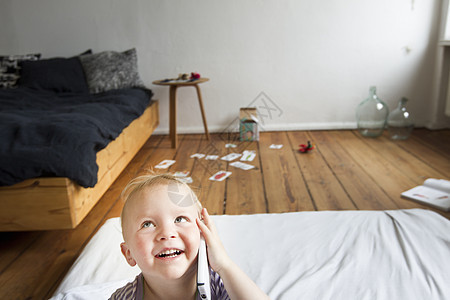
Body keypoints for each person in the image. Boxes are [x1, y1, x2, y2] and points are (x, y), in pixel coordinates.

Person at [110, 173, 270, 300]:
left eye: (179, 219)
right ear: (128, 253)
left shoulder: (221, 284)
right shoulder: (124, 297)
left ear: (204, 233)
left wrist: (224, 265)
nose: (167, 233)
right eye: (148, 224)